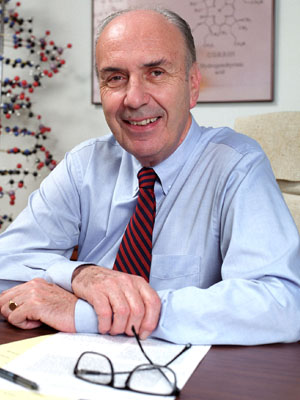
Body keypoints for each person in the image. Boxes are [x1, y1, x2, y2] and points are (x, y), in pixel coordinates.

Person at [0, 7, 300, 345]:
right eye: (115, 77)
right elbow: (6, 265)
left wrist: (89, 315)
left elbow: (281, 304)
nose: (135, 98)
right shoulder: (83, 166)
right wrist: (82, 275)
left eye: (156, 72)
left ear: (192, 84)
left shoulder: (237, 165)